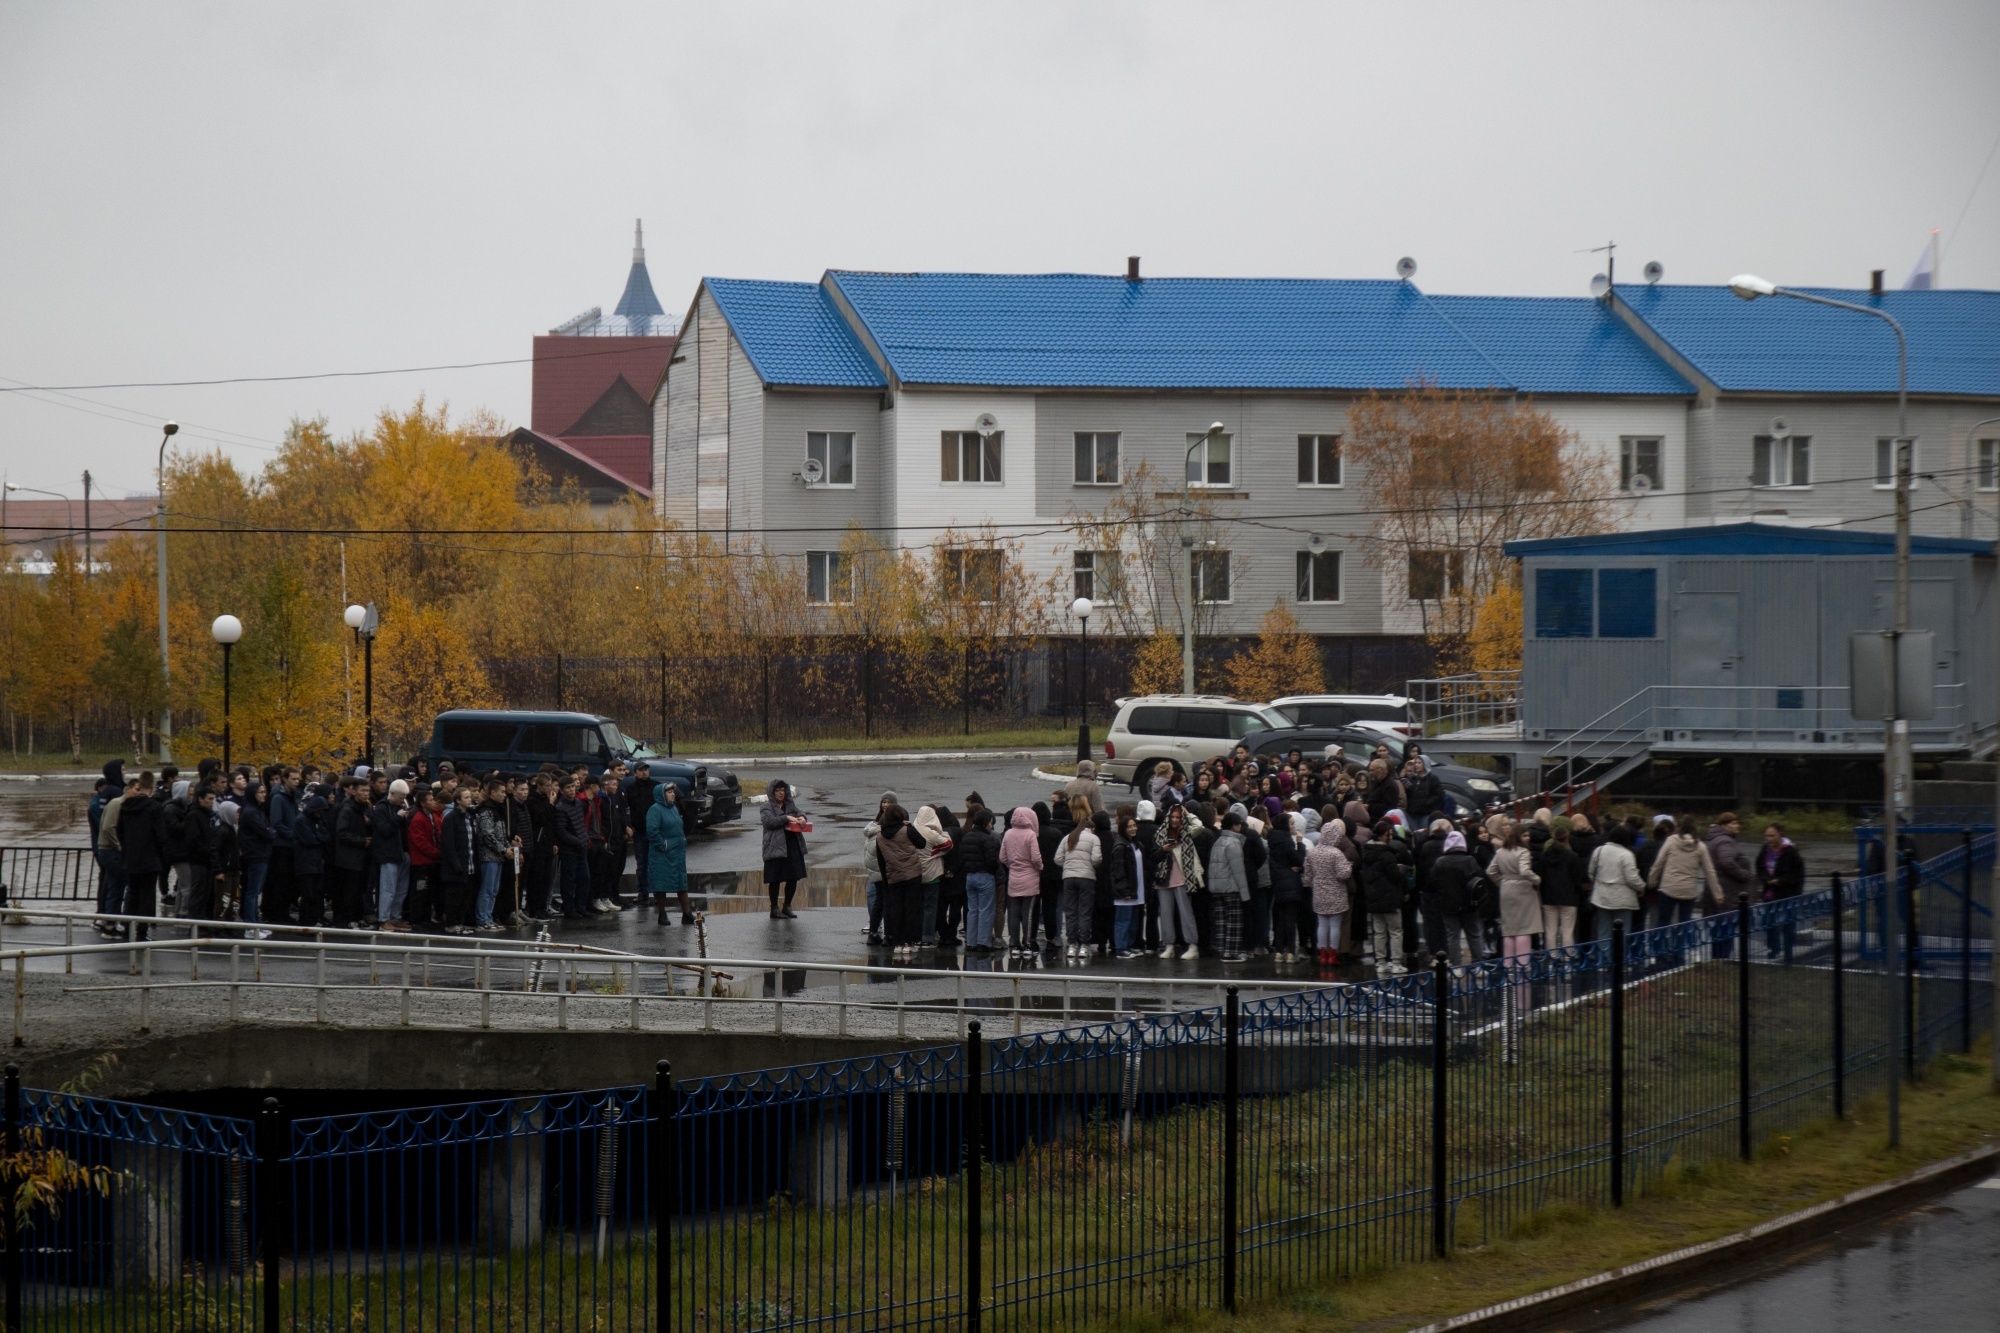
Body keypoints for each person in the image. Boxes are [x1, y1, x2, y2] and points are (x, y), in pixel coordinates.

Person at [116, 771, 165, 941]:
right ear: (152, 785)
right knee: (147, 896)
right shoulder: (154, 807)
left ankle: (126, 929)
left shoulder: (125, 806)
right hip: (149, 858)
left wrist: (127, 848)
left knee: (131, 893)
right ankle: (142, 932)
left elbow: (119, 831)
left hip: (130, 857)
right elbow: (160, 834)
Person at [1426, 831, 1488, 965]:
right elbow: (1481, 878)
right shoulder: (1470, 860)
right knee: (1473, 934)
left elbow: (1431, 883)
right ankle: (1477, 964)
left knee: (1452, 935)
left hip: (1448, 905)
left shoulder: (1440, 862)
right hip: (1470, 904)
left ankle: (1456, 965)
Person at [875, 803, 928, 960]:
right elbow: (922, 843)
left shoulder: (879, 836)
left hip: (893, 877)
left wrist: (886, 879)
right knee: (911, 909)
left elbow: (881, 860)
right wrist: (911, 826)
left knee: (896, 910)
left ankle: (897, 943)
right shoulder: (907, 830)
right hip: (912, 875)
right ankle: (908, 943)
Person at [1646, 816, 1715, 934]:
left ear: (1680, 828)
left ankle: (1659, 950)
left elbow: (1659, 863)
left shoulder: (1671, 841)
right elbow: (1709, 871)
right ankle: (1679, 951)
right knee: (1684, 924)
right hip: (1688, 890)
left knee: (1663, 922)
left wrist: (1651, 882)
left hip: (1668, 887)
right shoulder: (1700, 845)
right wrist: (1717, 893)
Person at [1357, 820, 1409, 972]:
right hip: (1390, 898)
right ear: (1382, 836)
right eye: (1389, 834)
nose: (1391, 837)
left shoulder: (1367, 852)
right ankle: (1396, 962)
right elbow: (1395, 875)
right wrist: (1403, 869)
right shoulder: (1387, 854)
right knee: (1395, 931)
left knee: (1379, 932)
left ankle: (1380, 962)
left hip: (1374, 898)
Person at [1054, 797, 1101, 961]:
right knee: (1085, 912)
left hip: (1069, 878)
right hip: (1087, 878)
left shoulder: (1068, 838)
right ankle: (1084, 945)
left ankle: (1072, 944)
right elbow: (1096, 859)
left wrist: (1068, 866)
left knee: (1071, 912)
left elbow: (1058, 859)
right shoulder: (1094, 839)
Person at [1301, 816, 1353, 968]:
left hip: (1319, 894)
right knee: (1335, 925)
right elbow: (1343, 874)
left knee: (1322, 924)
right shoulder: (1336, 853)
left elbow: (1308, 876)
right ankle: (1333, 954)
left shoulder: (1312, 853)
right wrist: (1349, 866)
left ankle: (1323, 954)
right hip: (1336, 894)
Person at [1153, 805, 1203, 960]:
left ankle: (1192, 946)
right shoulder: (1160, 833)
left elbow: (1199, 826)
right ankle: (1169, 945)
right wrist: (1164, 850)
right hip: (1163, 878)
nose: (1174, 820)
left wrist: (1187, 813)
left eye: (1177, 817)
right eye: (1172, 817)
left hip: (1183, 877)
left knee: (1186, 913)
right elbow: (1153, 856)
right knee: (1166, 914)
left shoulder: (1186, 832)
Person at [1703, 812, 1754, 960]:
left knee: (1719, 930)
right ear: (1724, 826)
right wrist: (1744, 874)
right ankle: (1723, 962)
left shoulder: (1713, 839)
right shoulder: (1725, 841)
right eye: (1734, 823)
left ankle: (1717, 961)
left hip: (1716, 890)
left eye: (1737, 822)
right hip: (1728, 893)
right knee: (1726, 930)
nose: (1737, 826)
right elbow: (1727, 861)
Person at [999, 806, 1045, 959]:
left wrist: (1013, 865)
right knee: (1028, 914)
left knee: (1013, 913)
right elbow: (1036, 857)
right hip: (1030, 878)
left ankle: (1015, 944)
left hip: (1013, 878)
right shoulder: (1031, 835)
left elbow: (1003, 858)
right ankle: (1028, 944)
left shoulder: (1008, 834)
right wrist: (1039, 868)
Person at [1587, 824, 1645, 940]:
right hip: (1622, 900)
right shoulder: (1627, 855)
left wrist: (1599, 882)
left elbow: (1591, 872)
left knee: (1603, 932)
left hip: (1601, 897)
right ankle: (1619, 957)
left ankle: (1604, 957)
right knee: (1622, 934)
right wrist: (1641, 887)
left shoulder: (1599, 851)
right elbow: (1632, 878)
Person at [1758, 821, 1806, 961]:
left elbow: (1797, 873)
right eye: (1767, 836)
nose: (1769, 839)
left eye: (1772, 836)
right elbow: (1760, 866)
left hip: (1787, 892)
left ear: (1780, 835)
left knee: (1788, 923)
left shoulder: (1790, 852)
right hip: (1771, 892)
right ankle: (1774, 948)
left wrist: (1781, 880)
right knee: (1768, 921)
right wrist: (1766, 879)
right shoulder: (1765, 850)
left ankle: (1788, 952)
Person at [761, 779, 809, 919]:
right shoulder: (766, 807)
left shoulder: (790, 805)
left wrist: (802, 818)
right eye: (777, 790)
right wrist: (786, 818)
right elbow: (769, 822)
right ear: (772, 792)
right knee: (775, 878)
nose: (781, 793)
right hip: (775, 847)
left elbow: (799, 812)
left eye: (783, 790)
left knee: (793, 877)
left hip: (792, 844)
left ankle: (787, 906)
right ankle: (774, 908)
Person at [1535, 822, 1586, 950]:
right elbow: (1577, 878)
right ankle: (1567, 960)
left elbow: (1540, 875)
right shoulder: (1572, 857)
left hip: (1548, 897)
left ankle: (1552, 959)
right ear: (1567, 836)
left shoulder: (1544, 856)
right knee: (1567, 930)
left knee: (1550, 930)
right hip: (1569, 897)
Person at [1208, 811, 1250, 964]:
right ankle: (1231, 952)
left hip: (1216, 888)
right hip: (1231, 888)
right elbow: (1238, 870)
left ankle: (1222, 950)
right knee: (1234, 921)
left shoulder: (1218, 841)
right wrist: (1245, 894)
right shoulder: (1234, 843)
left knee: (1221, 921)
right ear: (1234, 826)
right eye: (1239, 824)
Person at [646, 781, 690, 925]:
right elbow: (652, 831)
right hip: (662, 853)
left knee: (681, 883)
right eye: (669, 792)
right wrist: (663, 845)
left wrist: (682, 840)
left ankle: (687, 914)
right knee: (661, 884)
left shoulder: (673, 809)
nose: (672, 794)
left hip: (677, 852)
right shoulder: (655, 809)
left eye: (673, 792)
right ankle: (662, 914)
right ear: (662, 795)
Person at [1267, 807, 1307, 963]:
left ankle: (1278, 951)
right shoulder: (1286, 841)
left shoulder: (1274, 840)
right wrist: (1300, 844)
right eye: (1291, 824)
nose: (1293, 826)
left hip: (1278, 882)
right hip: (1290, 883)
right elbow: (1298, 859)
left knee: (1281, 918)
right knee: (1290, 918)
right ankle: (1291, 952)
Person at [960, 807, 1001, 953]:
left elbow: (962, 857)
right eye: (990, 821)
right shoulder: (988, 838)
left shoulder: (967, 836)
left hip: (970, 876)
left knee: (972, 910)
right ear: (985, 822)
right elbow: (992, 860)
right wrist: (993, 871)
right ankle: (983, 942)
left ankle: (971, 942)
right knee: (985, 910)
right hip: (984, 876)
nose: (991, 824)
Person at [441, 785, 480, 933]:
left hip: (469, 864)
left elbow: (472, 842)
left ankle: (461, 923)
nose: (470, 800)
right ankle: (451, 924)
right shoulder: (450, 818)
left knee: (465, 897)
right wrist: (456, 865)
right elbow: (448, 844)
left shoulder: (469, 817)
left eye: (470, 797)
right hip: (455, 868)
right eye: (466, 797)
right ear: (458, 800)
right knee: (454, 898)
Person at [474, 779, 513, 932]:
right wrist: (503, 849)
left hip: (498, 857)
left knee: (494, 890)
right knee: (487, 889)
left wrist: (509, 847)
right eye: (501, 792)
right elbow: (487, 835)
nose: (504, 795)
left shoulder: (497, 810)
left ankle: (488, 917)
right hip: (488, 856)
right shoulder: (485, 811)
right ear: (492, 793)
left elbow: (501, 835)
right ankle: (482, 919)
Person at [1107, 813, 1146, 959]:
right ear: (1123, 828)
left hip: (1137, 890)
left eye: (1134, 826)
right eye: (1129, 826)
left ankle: (1129, 945)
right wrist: (1124, 890)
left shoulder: (1137, 844)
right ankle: (1120, 948)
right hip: (1126, 891)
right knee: (1123, 920)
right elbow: (1119, 870)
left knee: (1133, 920)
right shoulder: (1120, 846)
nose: (1133, 829)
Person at [862, 792, 897, 945]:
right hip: (884, 870)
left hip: (875, 871)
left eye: (888, 802)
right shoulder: (885, 828)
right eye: (884, 802)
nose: (885, 805)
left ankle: (873, 932)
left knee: (879, 901)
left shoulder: (873, 827)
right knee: (887, 902)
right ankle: (888, 935)